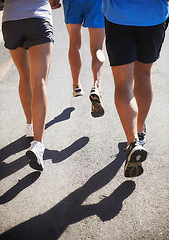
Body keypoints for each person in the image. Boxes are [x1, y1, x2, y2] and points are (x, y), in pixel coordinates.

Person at [102, 0, 169, 177]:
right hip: (153, 17)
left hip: (119, 16)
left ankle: (133, 141)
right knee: (144, 74)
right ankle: (139, 132)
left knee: (123, 82)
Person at [2, 0, 61, 171]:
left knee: (24, 76)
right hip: (38, 18)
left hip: (11, 19)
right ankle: (38, 144)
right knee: (39, 81)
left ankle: (30, 125)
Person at [63, 0, 105, 117]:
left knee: (74, 43)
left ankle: (76, 85)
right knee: (98, 48)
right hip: (97, 3)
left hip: (73, 2)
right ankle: (96, 86)